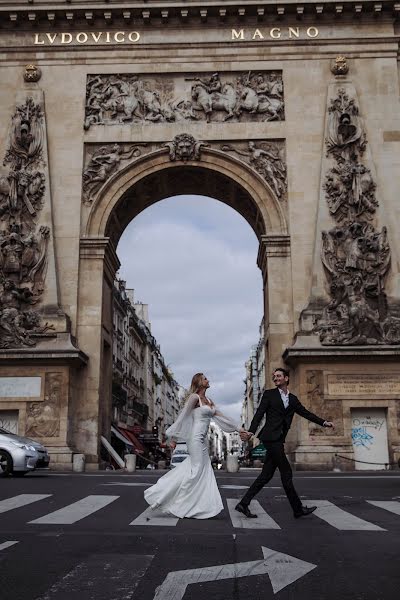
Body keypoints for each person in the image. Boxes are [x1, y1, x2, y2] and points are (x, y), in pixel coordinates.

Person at [237, 368, 334, 519]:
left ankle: (243, 503)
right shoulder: (269, 394)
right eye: (274, 376)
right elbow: (259, 414)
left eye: (278, 376)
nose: (275, 378)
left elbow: (305, 413)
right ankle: (297, 509)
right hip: (270, 438)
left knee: (266, 475)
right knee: (286, 472)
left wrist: (323, 422)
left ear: (286, 378)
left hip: (279, 438)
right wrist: (251, 432)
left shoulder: (293, 399)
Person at [144, 373, 242, 519]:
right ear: (199, 382)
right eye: (205, 378)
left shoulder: (209, 400)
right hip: (194, 438)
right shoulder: (194, 398)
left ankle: (195, 504)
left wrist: (239, 429)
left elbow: (222, 417)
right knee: (196, 470)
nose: (208, 380)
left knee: (201, 470)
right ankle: (177, 503)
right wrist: (174, 436)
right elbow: (184, 416)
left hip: (203, 440)